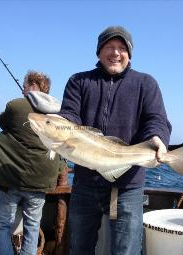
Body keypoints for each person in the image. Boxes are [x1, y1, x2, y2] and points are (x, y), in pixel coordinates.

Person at [59, 26, 172, 254]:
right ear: (99, 51)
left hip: (127, 185)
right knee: (79, 247)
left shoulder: (146, 83)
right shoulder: (78, 81)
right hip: (85, 182)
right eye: (109, 47)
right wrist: (56, 123)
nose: (116, 53)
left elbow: (156, 118)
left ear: (129, 54)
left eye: (122, 48)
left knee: (126, 251)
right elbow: (69, 114)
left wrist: (157, 137)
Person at [0, 70, 66, 255]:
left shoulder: (16, 106)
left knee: (1, 225)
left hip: (14, 179)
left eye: (25, 87)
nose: (23, 90)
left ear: (33, 87)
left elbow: (3, 122)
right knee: (32, 227)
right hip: (41, 182)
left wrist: (23, 101)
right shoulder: (59, 114)